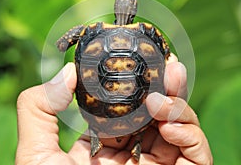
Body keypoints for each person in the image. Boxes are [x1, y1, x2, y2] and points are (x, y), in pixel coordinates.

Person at [15, 54, 213, 164]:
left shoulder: (96, 35)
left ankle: (128, 138)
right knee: (155, 114)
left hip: (107, 114)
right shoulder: (142, 34)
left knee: (159, 115)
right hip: (132, 114)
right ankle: (134, 138)